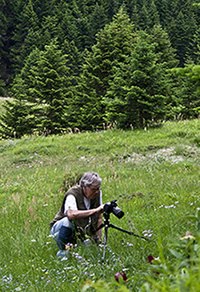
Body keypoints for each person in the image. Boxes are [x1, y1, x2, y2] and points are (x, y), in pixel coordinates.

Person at [50, 172, 104, 256]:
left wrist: (98, 242)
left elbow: (99, 218)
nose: (96, 191)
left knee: (88, 250)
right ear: (85, 186)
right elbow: (71, 214)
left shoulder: (97, 194)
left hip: (80, 230)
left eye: (98, 188)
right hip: (60, 229)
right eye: (94, 189)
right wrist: (95, 210)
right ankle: (63, 252)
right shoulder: (72, 194)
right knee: (67, 221)